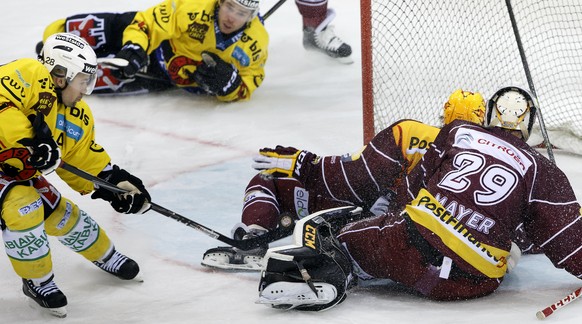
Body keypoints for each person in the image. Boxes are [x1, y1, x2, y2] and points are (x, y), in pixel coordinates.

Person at [256, 86, 582, 311]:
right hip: (473, 282)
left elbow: (405, 192)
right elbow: (565, 241)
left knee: (352, 242)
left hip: (412, 249)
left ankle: (328, 272)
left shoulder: (455, 133)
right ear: (530, 126)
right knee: (406, 253)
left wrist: (307, 165)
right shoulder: (545, 170)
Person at [201, 89, 488, 270]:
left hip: (366, 219)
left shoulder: (412, 132)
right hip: (425, 252)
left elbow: (352, 177)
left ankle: (255, 236)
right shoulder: (487, 163)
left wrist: (303, 163)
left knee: (269, 178)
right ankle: (335, 259)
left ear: (443, 114)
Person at [0, 33, 151, 318]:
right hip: (9, 170)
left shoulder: (75, 114)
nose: (86, 90)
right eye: (84, 81)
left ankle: (107, 255)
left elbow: (83, 157)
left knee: (63, 215)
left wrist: (115, 184)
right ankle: (38, 281)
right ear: (60, 75)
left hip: (15, 171)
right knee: (25, 207)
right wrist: (29, 139)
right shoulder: (28, 74)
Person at [37, 0, 269, 102]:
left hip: (162, 78)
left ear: (252, 16)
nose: (231, 17)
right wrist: (134, 48)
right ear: (221, 1)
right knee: (65, 31)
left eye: (240, 13)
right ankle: (56, 48)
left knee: (82, 85)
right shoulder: (193, 5)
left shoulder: (256, 42)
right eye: (229, 6)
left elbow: (252, 80)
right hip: (156, 45)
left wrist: (232, 87)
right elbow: (147, 24)